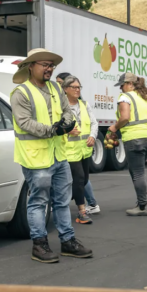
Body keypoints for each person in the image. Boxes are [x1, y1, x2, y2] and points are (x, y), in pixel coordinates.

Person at [11, 48, 93, 262]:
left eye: (51, 65)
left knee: (62, 201)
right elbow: (24, 122)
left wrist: (66, 123)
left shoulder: (57, 89)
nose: (49, 69)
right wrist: (53, 130)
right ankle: (39, 245)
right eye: (45, 65)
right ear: (31, 66)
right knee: (38, 201)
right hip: (35, 158)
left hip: (58, 155)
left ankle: (68, 241)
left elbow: (67, 111)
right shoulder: (21, 93)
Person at [106, 72, 147, 216]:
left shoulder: (125, 97)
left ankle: (142, 206)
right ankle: (141, 202)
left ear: (129, 84)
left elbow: (125, 117)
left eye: (122, 85)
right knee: (137, 171)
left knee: (137, 173)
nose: (120, 89)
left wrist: (114, 128)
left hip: (135, 139)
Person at [62, 75, 98, 224]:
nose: (77, 90)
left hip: (84, 149)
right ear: (65, 89)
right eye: (74, 87)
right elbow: (55, 126)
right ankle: (82, 212)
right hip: (69, 151)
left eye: (79, 87)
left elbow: (94, 123)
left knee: (84, 180)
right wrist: (67, 130)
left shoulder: (84, 105)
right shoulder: (61, 107)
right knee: (79, 179)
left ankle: (61, 200)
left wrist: (93, 136)